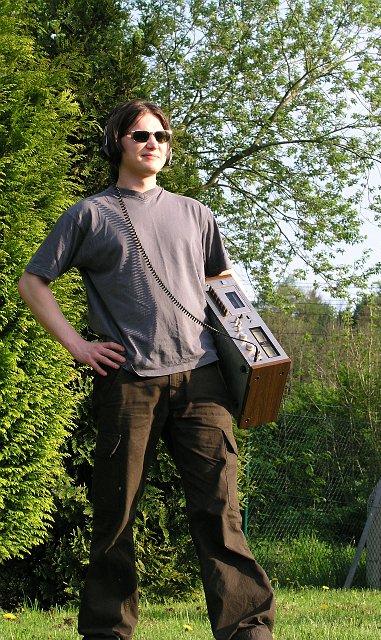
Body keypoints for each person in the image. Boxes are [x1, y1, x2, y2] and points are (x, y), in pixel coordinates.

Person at [18, 99, 275, 640]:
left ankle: (248, 629)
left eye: (161, 135)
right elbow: (32, 281)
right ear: (117, 142)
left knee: (220, 509)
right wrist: (77, 346)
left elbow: (222, 283)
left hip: (204, 377)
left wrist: (253, 350)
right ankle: (107, 631)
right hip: (130, 382)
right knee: (116, 514)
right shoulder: (89, 215)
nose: (152, 143)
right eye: (140, 134)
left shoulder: (195, 213)